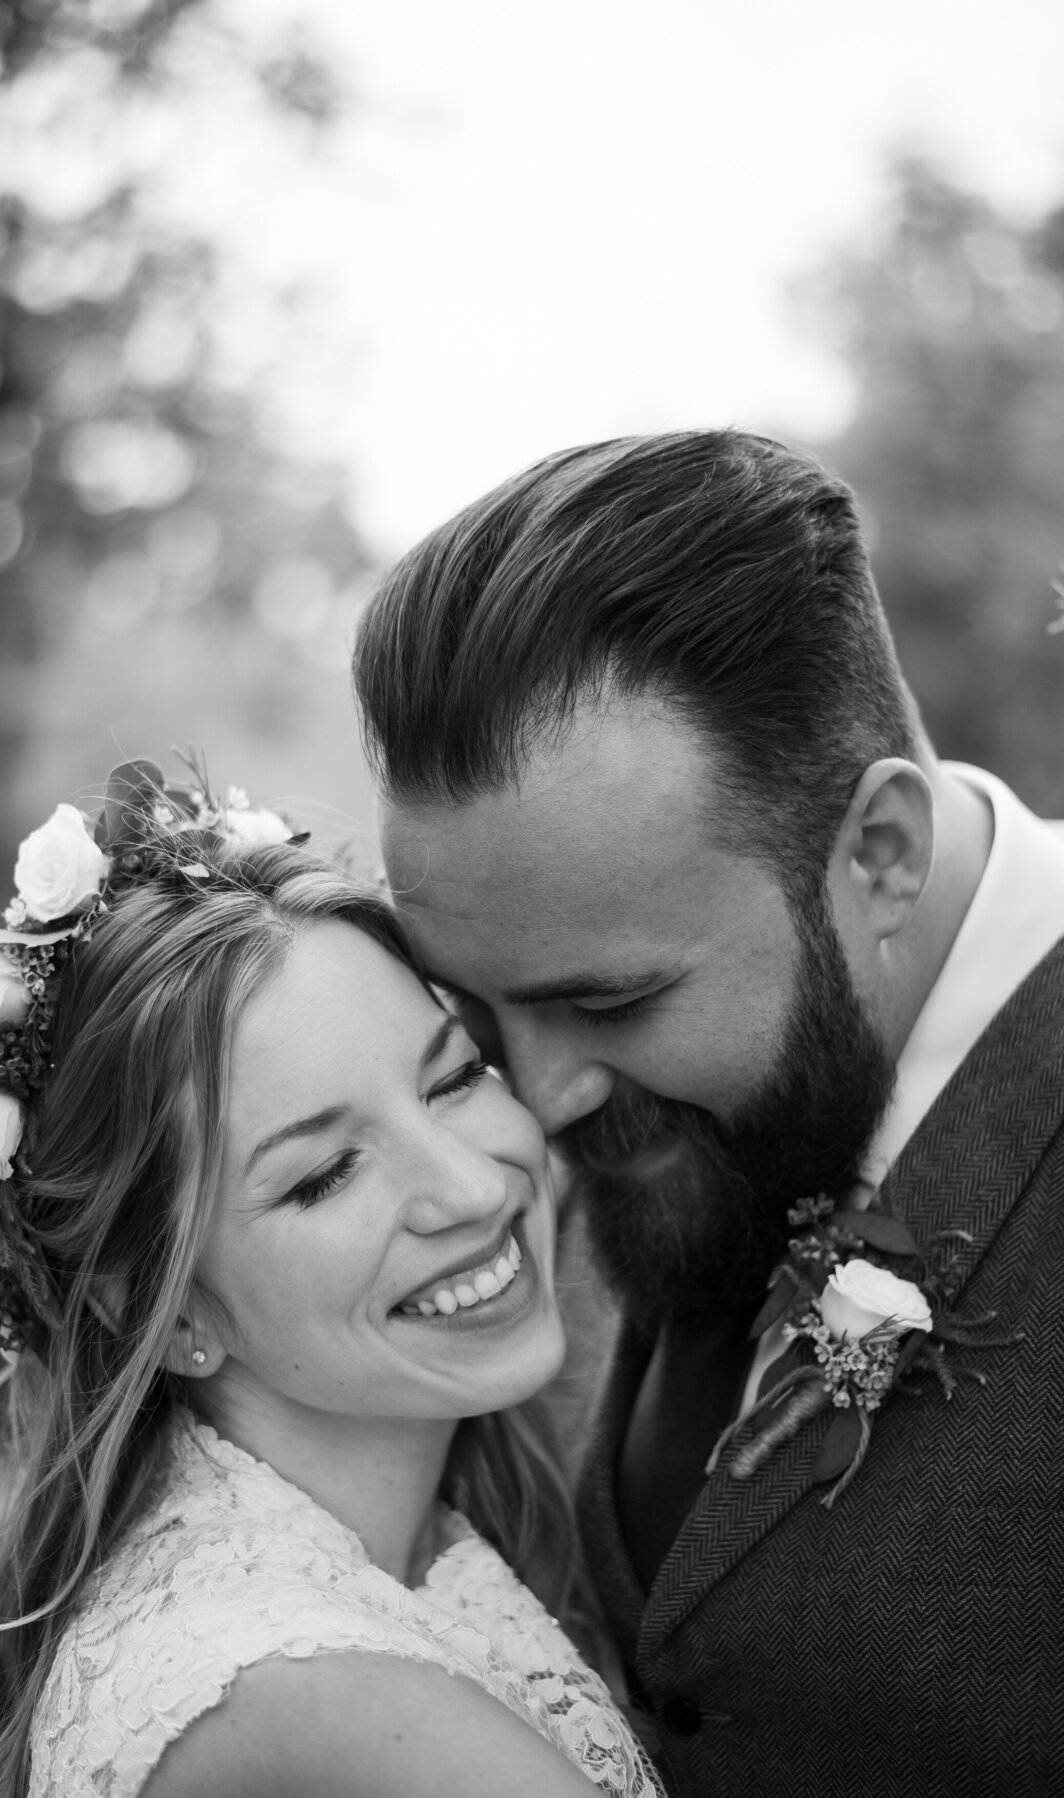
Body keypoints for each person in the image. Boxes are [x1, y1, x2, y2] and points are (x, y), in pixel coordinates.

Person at [352, 430, 1064, 1798]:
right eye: (479, 1017)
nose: (537, 1102)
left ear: (880, 853)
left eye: (611, 1005)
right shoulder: (507, 1172)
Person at [0, 759, 660, 1798]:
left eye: (455, 1075)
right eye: (326, 1172)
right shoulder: (312, 1692)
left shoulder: (348, 1569)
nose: (472, 1187)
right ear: (160, 1307)